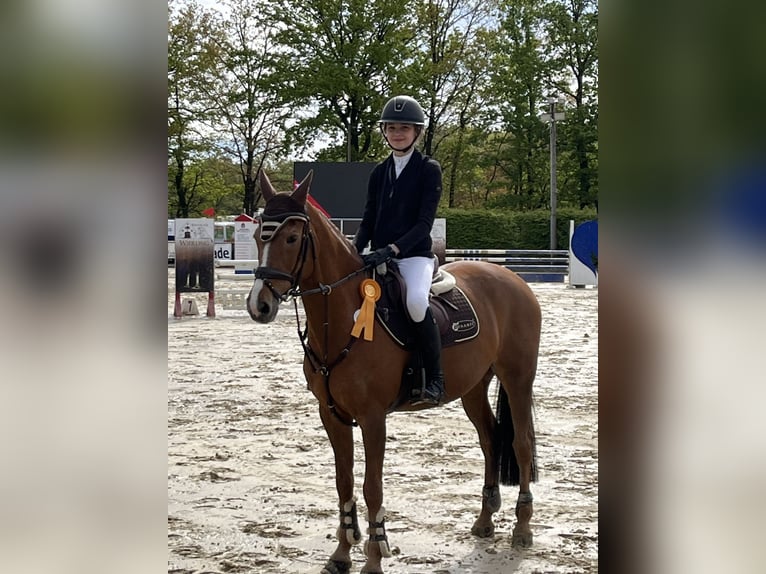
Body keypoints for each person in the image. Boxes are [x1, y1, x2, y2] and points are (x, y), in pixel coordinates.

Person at [353, 95, 445, 406]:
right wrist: (355, 250)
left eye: (404, 128)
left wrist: (393, 248)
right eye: (391, 128)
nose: (397, 134)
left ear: (416, 132)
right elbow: (368, 217)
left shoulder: (428, 169)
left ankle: (435, 378)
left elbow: (424, 223)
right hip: (378, 255)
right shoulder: (379, 172)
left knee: (416, 302)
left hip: (414, 257)